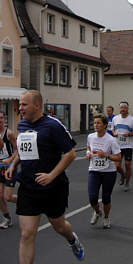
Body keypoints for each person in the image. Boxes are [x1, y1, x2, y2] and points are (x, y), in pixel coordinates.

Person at [6, 90, 84, 263]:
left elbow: (70, 154)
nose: (20, 108)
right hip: (28, 186)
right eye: (19, 104)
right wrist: (13, 164)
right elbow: (22, 149)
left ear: (37, 105)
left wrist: (51, 175)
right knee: (26, 234)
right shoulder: (22, 124)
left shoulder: (53, 125)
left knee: (59, 226)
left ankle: (72, 240)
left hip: (53, 187)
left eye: (24, 104)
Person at [86, 114, 121, 229]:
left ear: (105, 125)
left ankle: (106, 217)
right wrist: (88, 153)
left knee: (106, 197)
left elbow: (118, 157)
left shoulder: (111, 140)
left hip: (108, 171)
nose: (95, 125)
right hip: (94, 170)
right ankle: (97, 211)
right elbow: (89, 148)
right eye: (94, 123)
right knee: (92, 197)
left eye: (98, 123)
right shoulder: (90, 137)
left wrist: (106, 155)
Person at [112, 101, 133, 191]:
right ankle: (122, 175)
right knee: (117, 166)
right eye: (121, 107)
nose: (123, 109)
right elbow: (112, 130)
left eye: (124, 107)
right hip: (117, 145)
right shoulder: (115, 118)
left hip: (128, 145)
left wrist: (129, 134)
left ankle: (127, 182)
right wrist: (114, 133)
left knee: (127, 165)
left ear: (127, 109)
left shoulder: (132, 120)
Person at [0, 111, 17, 229]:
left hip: (9, 167)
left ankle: (31, 202)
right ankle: (7, 218)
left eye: (1, 118)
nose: (0, 120)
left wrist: (9, 159)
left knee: (7, 197)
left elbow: (17, 150)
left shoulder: (9, 133)